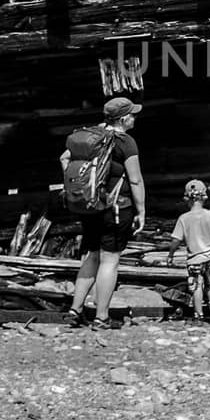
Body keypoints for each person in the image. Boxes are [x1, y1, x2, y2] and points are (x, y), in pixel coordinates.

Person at [65, 97, 145, 329]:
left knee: (91, 256)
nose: (135, 117)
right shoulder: (125, 142)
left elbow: (65, 159)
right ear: (123, 119)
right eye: (132, 114)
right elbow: (136, 179)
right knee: (110, 260)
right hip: (117, 208)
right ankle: (101, 316)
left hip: (90, 207)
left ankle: (75, 309)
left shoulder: (90, 136)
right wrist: (141, 210)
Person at [167, 179, 210, 322]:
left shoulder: (184, 219)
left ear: (187, 199)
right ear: (204, 197)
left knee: (196, 286)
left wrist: (170, 254)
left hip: (194, 260)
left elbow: (176, 240)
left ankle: (198, 314)